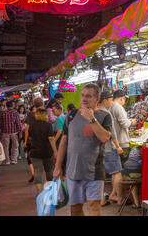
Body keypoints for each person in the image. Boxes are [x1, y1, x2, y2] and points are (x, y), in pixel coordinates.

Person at [53, 83, 112, 216]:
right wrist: (57, 166)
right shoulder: (71, 115)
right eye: (83, 95)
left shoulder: (104, 116)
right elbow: (64, 141)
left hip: (94, 171)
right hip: (73, 170)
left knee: (94, 206)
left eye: (89, 96)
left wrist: (91, 118)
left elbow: (104, 138)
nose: (84, 99)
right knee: (75, 209)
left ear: (97, 99)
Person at [97, 89, 124, 206]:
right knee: (117, 172)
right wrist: (118, 146)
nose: (112, 103)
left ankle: (102, 199)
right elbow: (112, 132)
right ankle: (119, 198)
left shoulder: (94, 112)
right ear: (105, 100)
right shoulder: (106, 114)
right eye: (111, 100)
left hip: (97, 149)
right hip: (108, 148)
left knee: (100, 174)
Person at [24, 100, 57, 194]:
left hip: (35, 151)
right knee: (49, 171)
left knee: (38, 172)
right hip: (47, 151)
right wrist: (55, 151)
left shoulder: (32, 126)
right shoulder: (48, 125)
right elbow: (51, 138)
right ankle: (49, 192)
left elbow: (30, 137)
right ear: (45, 115)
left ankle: (40, 192)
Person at [109, 90, 137, 164]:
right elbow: (124, 124)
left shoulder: (110, 106)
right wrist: (131, 122)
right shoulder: (119, 107)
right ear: (122, 99)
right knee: (121, 165)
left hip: (114, 141)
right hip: (121, 142)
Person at [0, 101, 23, 165]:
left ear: (6, 106)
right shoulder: (15, 113)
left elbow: (1, 123)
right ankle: (14, 159)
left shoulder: (3, 113)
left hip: (5, 132)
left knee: (5, 147)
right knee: (15, 146)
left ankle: (7, 161)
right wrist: (20, 132)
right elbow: (18, 123)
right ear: (12, 105)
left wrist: (1, 131)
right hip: (14, 132)